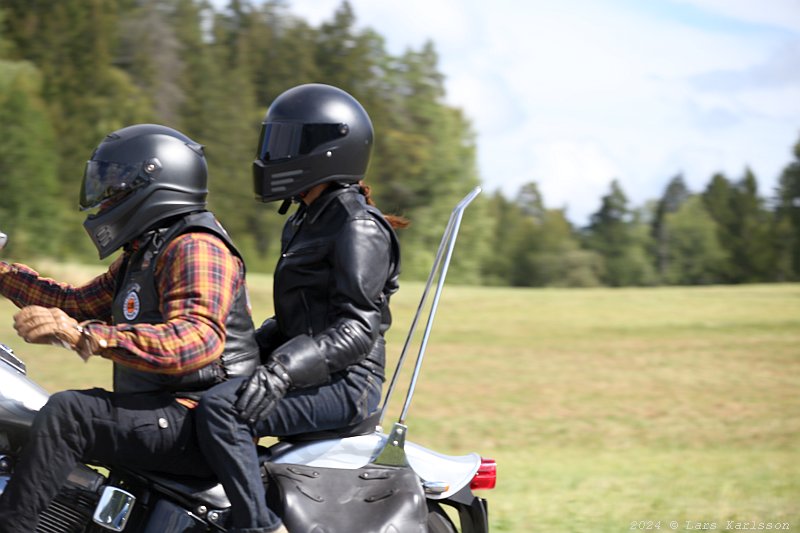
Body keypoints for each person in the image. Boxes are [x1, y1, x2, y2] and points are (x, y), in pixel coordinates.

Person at [0, 124, 259, 531]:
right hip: (162, 412)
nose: (105, 197)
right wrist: (2, 274)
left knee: (71, 413)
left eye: (115, 186)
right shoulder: (146, 251)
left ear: (156, 183)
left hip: (196, 421)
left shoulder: (196, 245)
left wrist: (86, 335)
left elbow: (198, 339)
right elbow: (74, 303)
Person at [195, 83, 405, 533]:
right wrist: (231, 351)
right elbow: (297, 319)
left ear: (330, 150)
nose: (274, 156)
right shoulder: (306, 218)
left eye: (287, 144)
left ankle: (257, 525)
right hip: (312, 370)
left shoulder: (357, 226)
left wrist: (281, 371)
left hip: (347, 385)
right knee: (199, 392)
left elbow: (356, 329)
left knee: (224, 410)